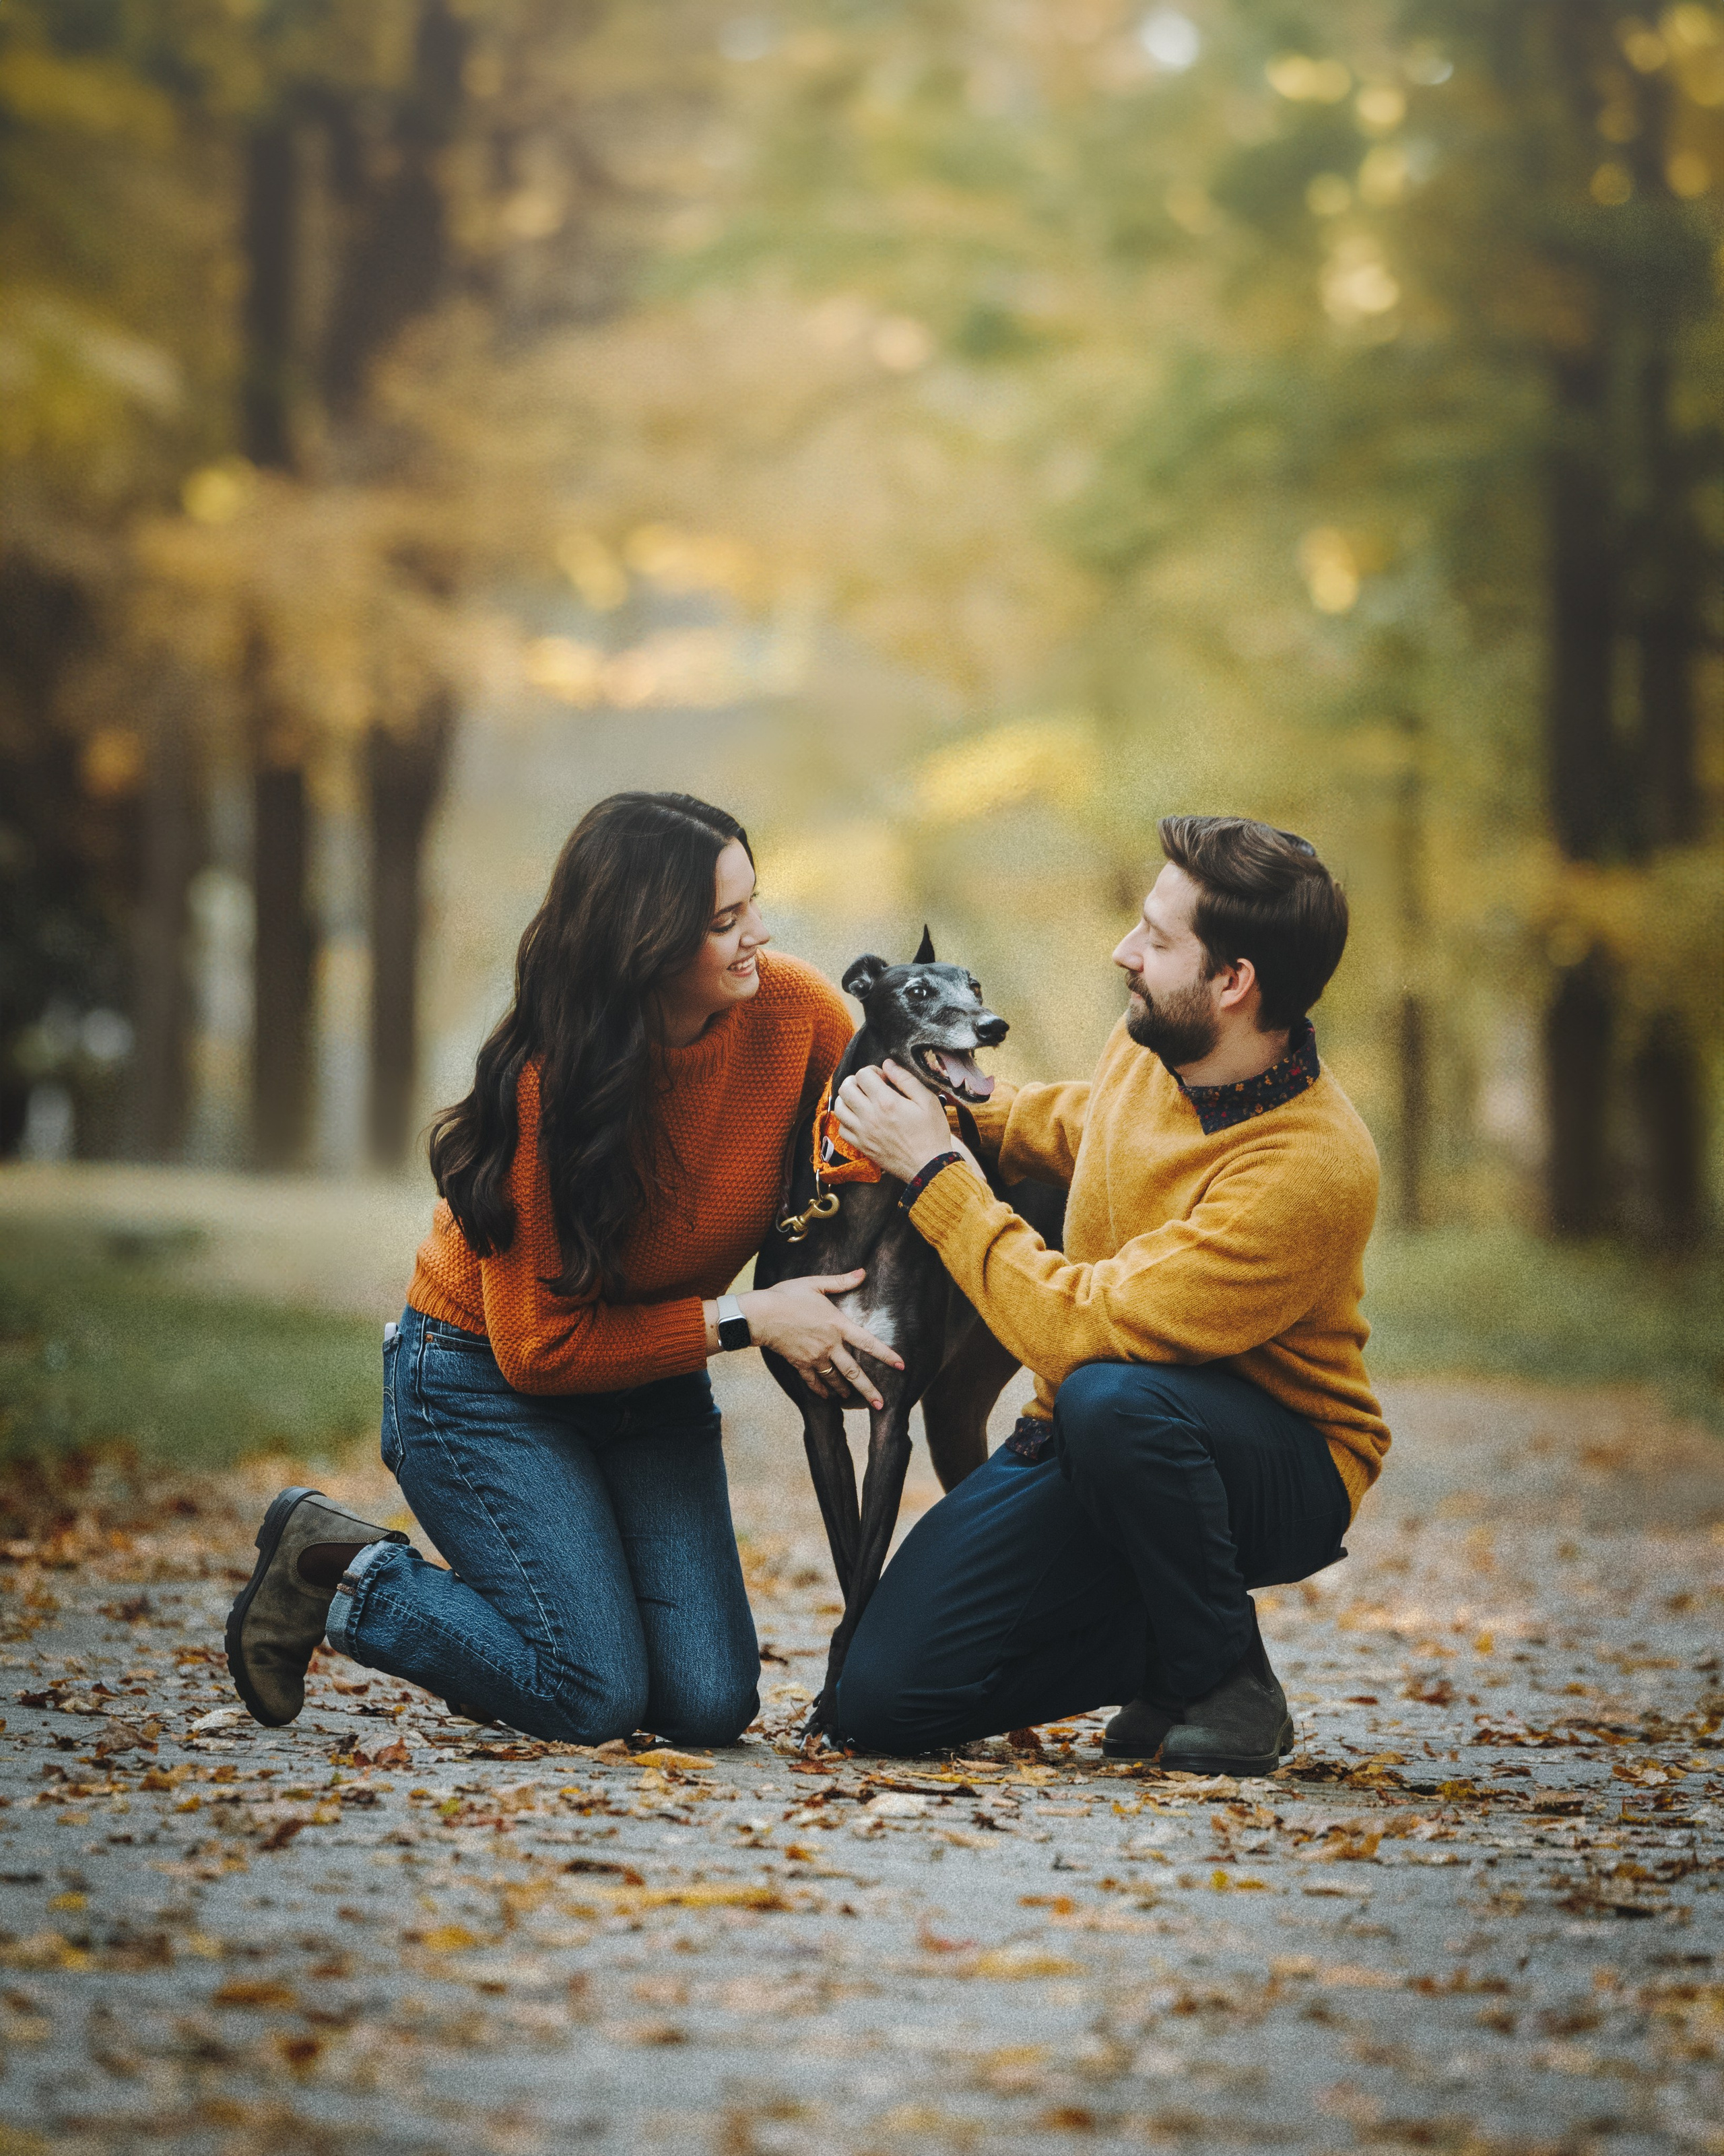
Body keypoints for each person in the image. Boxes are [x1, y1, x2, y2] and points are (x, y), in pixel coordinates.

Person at [225, 791, 899, 1747]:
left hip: (647, 1386)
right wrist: (752, 1315)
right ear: (647, 941)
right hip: (482, 1384)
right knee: (593, 1691)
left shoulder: (794, 1014)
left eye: (754, 902)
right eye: (725, 920)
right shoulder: (550, 1081)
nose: (760, 933)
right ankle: (339, 1568)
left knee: (709, 1700)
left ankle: (515, 1649)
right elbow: (540, 1350)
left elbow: (913, 1108)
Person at [829, 814, 1389, 1776]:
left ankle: (1226, 1678)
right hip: (1104, 1441)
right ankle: (1174, 1639)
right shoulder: (1158, 1042)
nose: (1124, 951)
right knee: (880, 1698)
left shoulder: (1312, 1167)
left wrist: (934, 1168)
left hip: (1276, 1459)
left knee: (1109, 1395)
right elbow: (1088, 1123)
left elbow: (1082, 1331)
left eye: (1157, 939)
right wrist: (954, 1105)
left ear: (1233, 982)